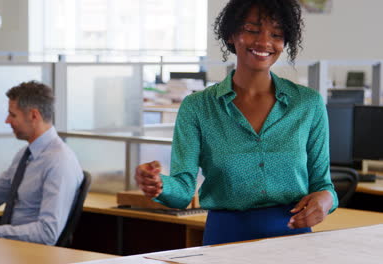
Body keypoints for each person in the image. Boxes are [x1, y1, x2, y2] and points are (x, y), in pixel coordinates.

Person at [135, 0, 338, 246]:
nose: (264, 42)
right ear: (232, 34)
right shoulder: (198, 107)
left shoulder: (307, 104)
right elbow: (183, 190)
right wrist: (158, 185)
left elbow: (323, 185)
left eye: (276, 34)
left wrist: (325, 201)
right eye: (252, 30)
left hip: (292, 241)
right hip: (226, 240)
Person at [0, 81, 83, 245]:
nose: (7, 121)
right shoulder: (25, 155)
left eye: (13, 115)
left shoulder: (59, 162)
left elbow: (47, 233)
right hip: (11, 248)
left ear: (33, 116)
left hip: (32, 254)